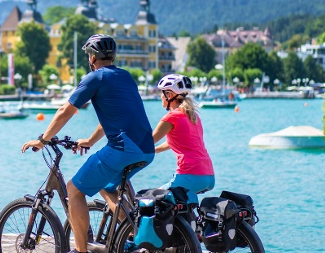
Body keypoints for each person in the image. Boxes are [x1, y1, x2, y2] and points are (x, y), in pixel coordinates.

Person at [22, 34, 155, 253]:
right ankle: (132, 234)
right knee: (106, 186)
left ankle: (81, 251)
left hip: (123, 148)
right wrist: (90, 141)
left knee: (74, 190)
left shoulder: (95, 78)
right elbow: (118, 117)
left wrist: (43, 140)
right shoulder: (126, 77)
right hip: (146, 149)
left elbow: (67, 110)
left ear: (92, 57)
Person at [153, 74, 215, 202]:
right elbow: (178, 142)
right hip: (208, 175)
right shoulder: (193, 116)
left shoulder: (171, 117)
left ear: (169, 95)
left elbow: (146, 142)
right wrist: (155, 150)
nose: (160, 96)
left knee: (151, 200)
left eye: (162, 93)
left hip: (191, 174)